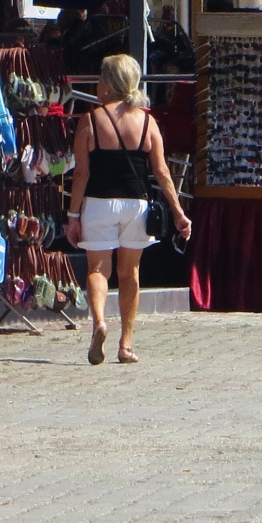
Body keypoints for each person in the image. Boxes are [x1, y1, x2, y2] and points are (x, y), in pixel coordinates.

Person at [68, 54, 191, 366]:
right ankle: (126, 344)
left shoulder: (91, 120)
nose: (97, 84)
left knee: (97, 269)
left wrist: (72, 216)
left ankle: (99, 322)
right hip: (136, 203)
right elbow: (162, 171)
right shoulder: (148, 122)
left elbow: (81, 173)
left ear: (109, 84)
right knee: (130, 272)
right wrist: (178, 211)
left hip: (99, 201)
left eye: (100, 78)